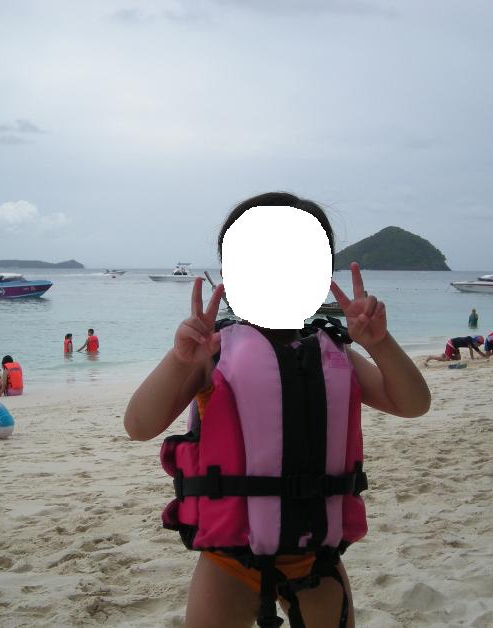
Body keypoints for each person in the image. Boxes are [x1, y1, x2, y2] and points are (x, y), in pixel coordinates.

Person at [124, 193, 431, 628]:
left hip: (317, 558)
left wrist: (380, 344)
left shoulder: (333, 353)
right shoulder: (212, 353)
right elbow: (138, 425)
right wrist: (179, 361)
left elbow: (413, 404)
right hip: (229, 561)